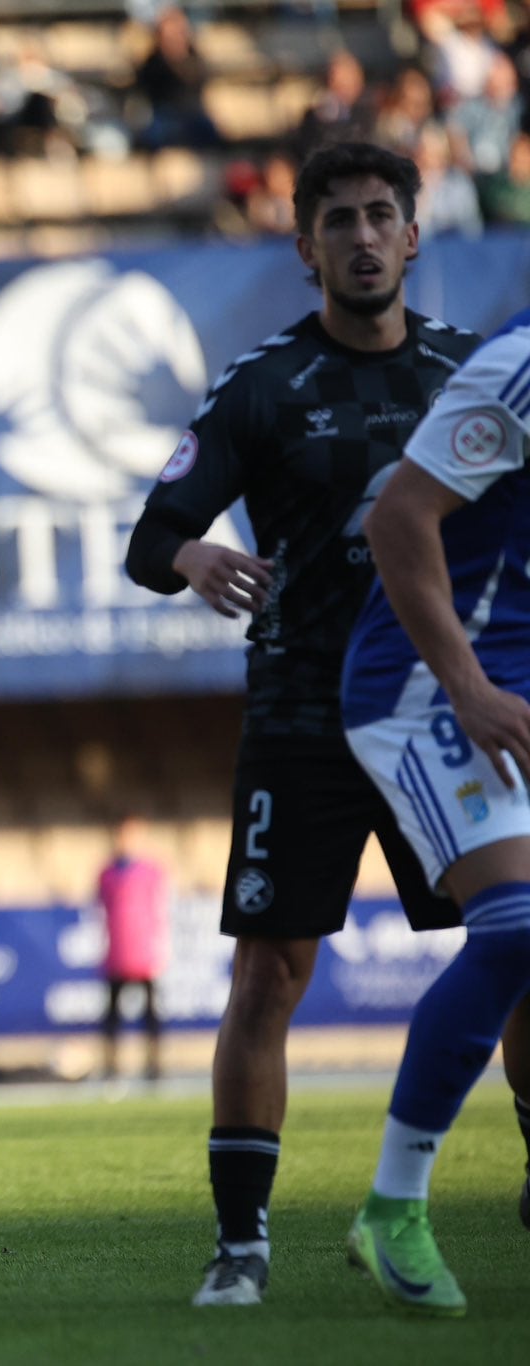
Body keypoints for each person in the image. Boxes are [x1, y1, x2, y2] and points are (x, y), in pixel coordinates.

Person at [123, 140, 491, 1309]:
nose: (364, 237)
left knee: (519, 944)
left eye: (382, 215)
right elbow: (146, 537)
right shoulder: (260, 384)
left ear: (413, 235)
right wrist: (190, 551)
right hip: (302, 711)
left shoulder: (471, 373)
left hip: (440, 708)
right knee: (269, 974)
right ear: (304, 248)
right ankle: (239, 1242)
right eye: (339, 221)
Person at [341, 305, 530, 1316]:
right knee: (514, 924)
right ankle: (391, 1206)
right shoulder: (520, 365)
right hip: (429, 686)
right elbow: (396, 518)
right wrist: (462, 686)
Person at [97, 817, 168, 1082]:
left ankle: (154, 1064)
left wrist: (159, 948)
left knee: (151, 1012)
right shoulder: (107, 873)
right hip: (118, 950)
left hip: (144, 951)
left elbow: (160, 911)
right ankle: (111, 1065)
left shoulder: (151, 872)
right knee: (112, 1013)